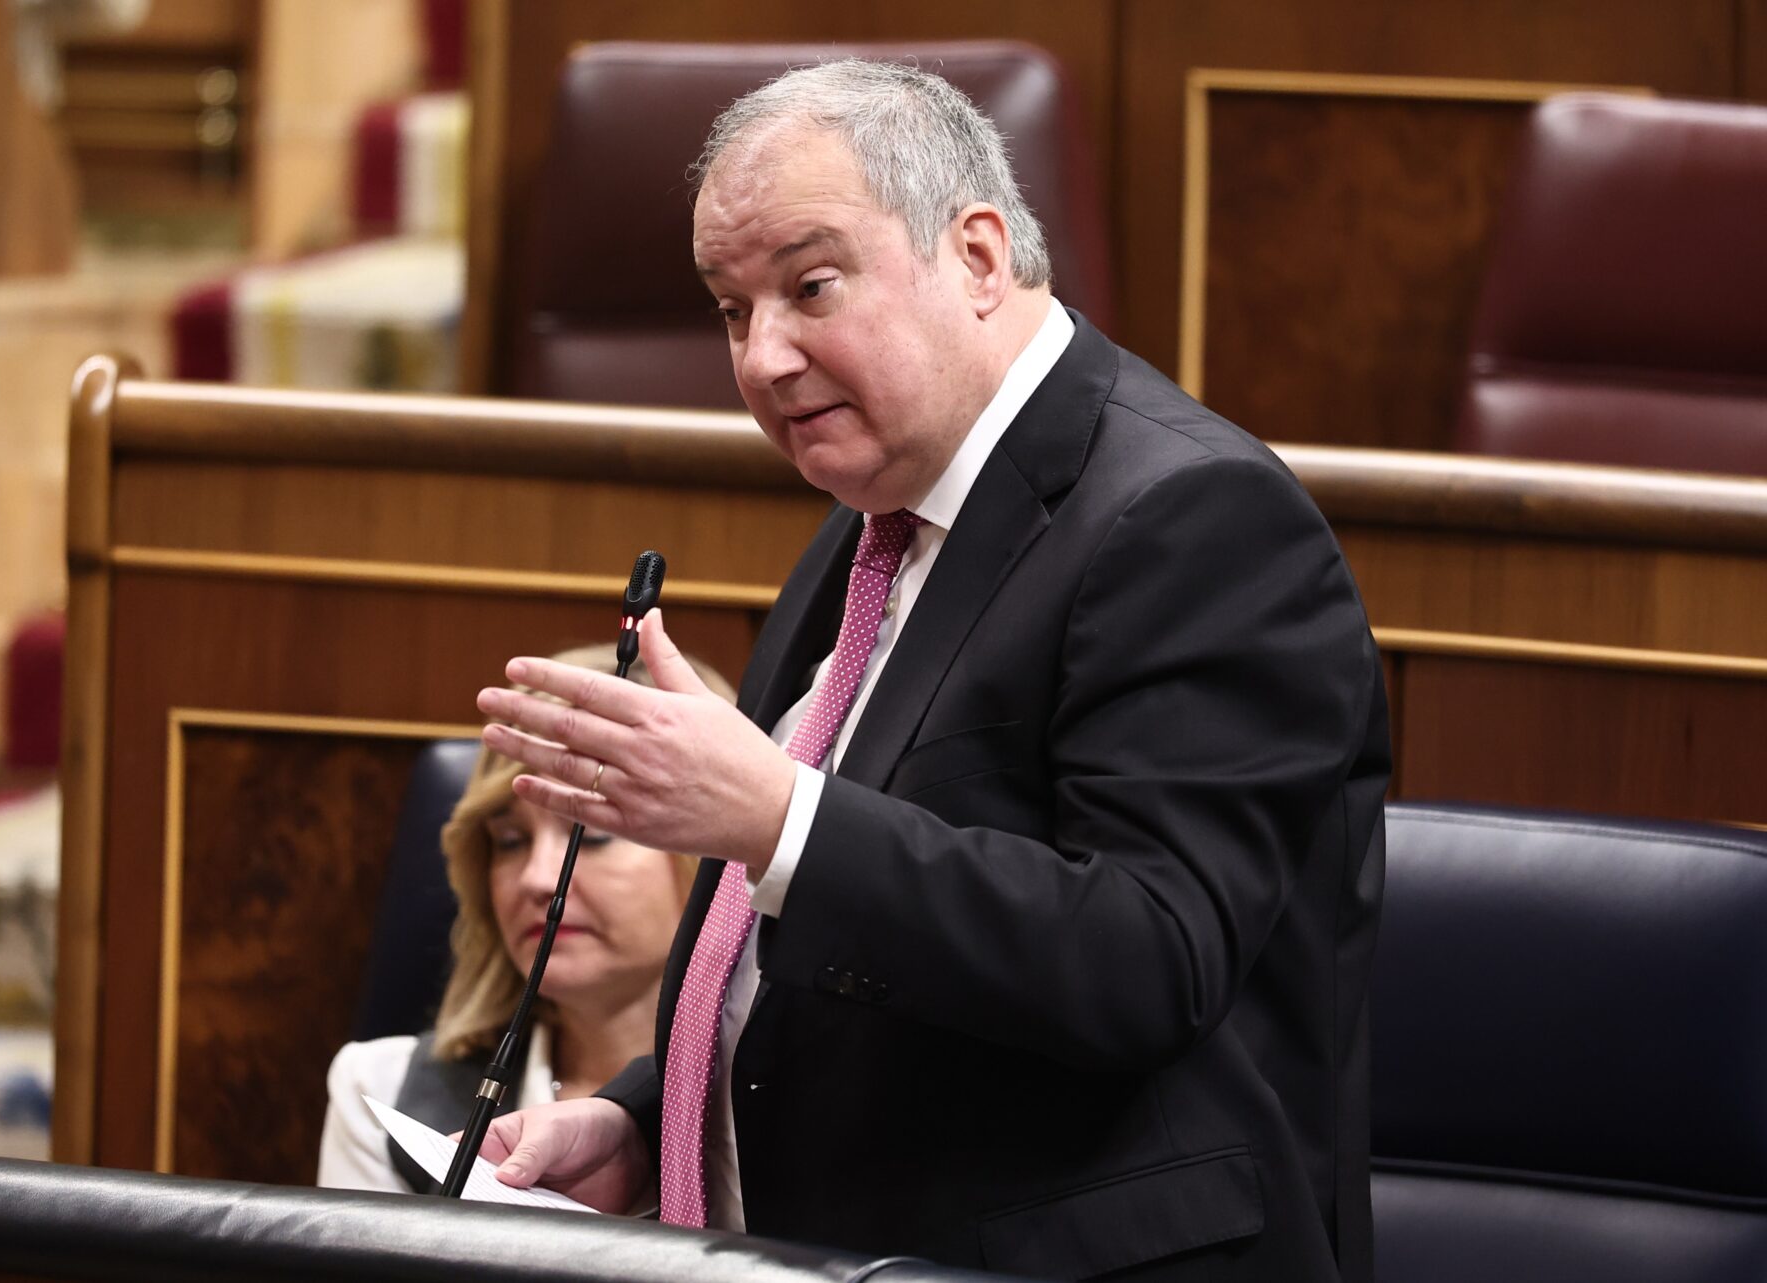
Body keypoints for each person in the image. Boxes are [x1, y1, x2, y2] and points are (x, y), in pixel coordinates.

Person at [470, 60, 1389, 1283]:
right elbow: (849, 968)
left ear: (977, 255)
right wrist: (652, 1119)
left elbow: (1146, 958)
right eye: (734, 311)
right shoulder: (878, 521)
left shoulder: (1196, 517)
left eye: (810, 287)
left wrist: (777, 816)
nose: (763, 359)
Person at [316, 645, 734, 1194]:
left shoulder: (769, 1113)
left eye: (592, 832)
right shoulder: (381, 1092)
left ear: (716, 852)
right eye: (510, 841)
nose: (538, 878)